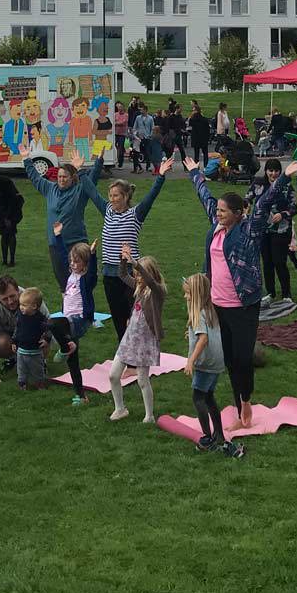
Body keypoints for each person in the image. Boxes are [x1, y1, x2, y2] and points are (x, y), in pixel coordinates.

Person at [186, 154, 263, 428]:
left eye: (223, 211)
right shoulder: (217, 227)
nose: (218, 214)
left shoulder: (246, 232)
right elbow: (205, 197)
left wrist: (283, 180)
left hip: (243, 307)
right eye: (218, 210)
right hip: (218, 305)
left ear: (237, 214)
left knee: (243, 359)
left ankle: (246, 399)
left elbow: (263, 206)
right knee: (229, 359)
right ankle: (239, 404)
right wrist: (195, 174)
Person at [84, 155, 169, 341]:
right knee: (118, 317)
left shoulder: (135, 214)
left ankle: (137, 347)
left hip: (131, 274)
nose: (112, 199)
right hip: (109, 274)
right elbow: (91, 191)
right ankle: (123, 349)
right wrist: (80, 171)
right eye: (110, 196)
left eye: (116, 196)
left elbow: (151, 197)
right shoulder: (107, 210)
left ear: (125, 196)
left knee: (134, 316)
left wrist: (161, 176)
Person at [22, 143, 101, 284]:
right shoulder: (49, 188)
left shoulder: (80, 191)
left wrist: (99, 161)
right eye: (59, 176)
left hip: (76, 243)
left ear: (72, 178)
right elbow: (35, 178)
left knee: (82, 282)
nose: (61, 179)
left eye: (65, 177)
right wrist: (26, 159)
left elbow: (92, 179)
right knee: (63, 283)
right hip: (56, 244)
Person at [183, 273, 242, 457]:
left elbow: (203, 339)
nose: (185, 296)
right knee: (209, 397)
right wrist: (190, 334)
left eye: (188, 293)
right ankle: (219, 434)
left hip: (206, 364)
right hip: (217, 362)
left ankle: (208, 438)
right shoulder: (210, 310)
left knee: (197, 398)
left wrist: (191, 360)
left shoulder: (198, 314)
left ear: (196, 294)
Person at [108, 249, 165, 423]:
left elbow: (150, 281)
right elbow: (122, 275)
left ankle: (149, 416)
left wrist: (136, 264)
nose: (138, 278)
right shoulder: (139, 288)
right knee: (113, 375)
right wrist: (123, 259)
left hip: (144, 342)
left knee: (142, 380)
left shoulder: (157, 292)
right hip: (130, 339)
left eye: (140, 275)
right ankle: (120, 409)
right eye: (137, 275)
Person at [52, 240, 98, 405]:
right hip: (69, 320)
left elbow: (92, 272)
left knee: (52, 324)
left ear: (85, 263)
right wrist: (58, 236)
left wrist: (93, 255)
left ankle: (65, 347)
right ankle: (81, 396)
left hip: (79, 320)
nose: (72, 263)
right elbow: (62, 256)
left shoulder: (86, 280)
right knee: (73, 362)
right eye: (72, 260)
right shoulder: (71, 275)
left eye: (77, 261)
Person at [0, 275, 51, 384]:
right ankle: (15, 358)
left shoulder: (33, 299)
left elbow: (49, 324)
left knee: (44, 340)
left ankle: (41, 362)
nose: (10, 302)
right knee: (1, 343)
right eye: (5, 299)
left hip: (34, 336)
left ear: (18, 291)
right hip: (12, 338)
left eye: (12, 296)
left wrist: (48, 340)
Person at [247, 159, 296, 305]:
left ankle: (286, 293)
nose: (273, 174)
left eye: (276, 171)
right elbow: (247, 198)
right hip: (262, 230)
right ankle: (270, 292)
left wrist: (283, 214)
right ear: (266, 171)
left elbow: (294, 207)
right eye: (270, 170)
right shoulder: (258, 184)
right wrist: (246, 207)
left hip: (281, 230)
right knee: (267, 262)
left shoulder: (287, 186)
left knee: (279, 261)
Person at [13, 288, 52, 389]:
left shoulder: (40, 319)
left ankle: (40, 383)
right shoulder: (20, 315)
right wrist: (14, 341)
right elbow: (17, 329)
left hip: (35, 351)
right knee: (21, 369)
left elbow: (49, 329)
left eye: (24, 305)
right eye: (20, 304)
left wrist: (46, 339)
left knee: (37, 369)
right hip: (21, 350)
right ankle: (22, 383)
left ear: (34, 306)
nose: (21, 307)